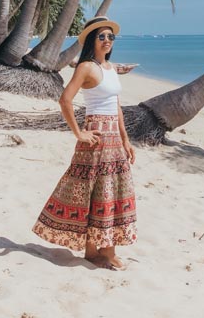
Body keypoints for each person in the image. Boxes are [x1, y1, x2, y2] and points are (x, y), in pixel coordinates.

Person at [32, 15, 137, 270]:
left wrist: (126, 140)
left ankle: (95, 251)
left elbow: (117, 106)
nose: (107, 40)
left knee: (110, 193)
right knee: (96, 192)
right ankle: (106, 253)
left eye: (111, 36)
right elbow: (65, 100)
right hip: (96, 139)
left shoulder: (110, 69)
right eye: (101, 36)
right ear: (92, 39)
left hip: (114, 141)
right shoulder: (86, 67)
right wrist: (79, 133)